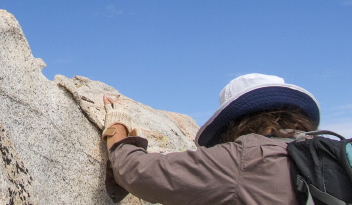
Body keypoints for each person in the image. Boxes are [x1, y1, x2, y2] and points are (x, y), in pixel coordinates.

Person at [101, 73, 320, 204]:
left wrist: (117, 125)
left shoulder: (246, 158)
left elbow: (138, 172)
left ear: (235, 122)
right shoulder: (322, 152)